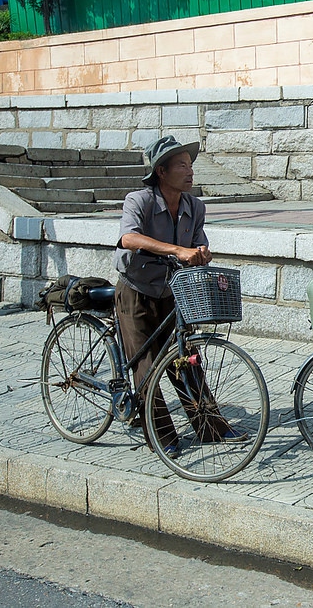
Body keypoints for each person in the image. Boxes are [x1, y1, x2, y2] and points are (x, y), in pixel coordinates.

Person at [113, 135, 242, 455]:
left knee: (186, 359)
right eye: (181, 165)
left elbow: (198, 244)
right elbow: (128, 239)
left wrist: (200, 254)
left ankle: (210, 426)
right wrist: (177, 251)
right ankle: (161, 435)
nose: (190, 171)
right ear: (161, 171)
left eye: (190, 165)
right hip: (136, 291)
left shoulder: (194, 206)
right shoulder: (139, 200)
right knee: (147, 366)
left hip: (172, 291)